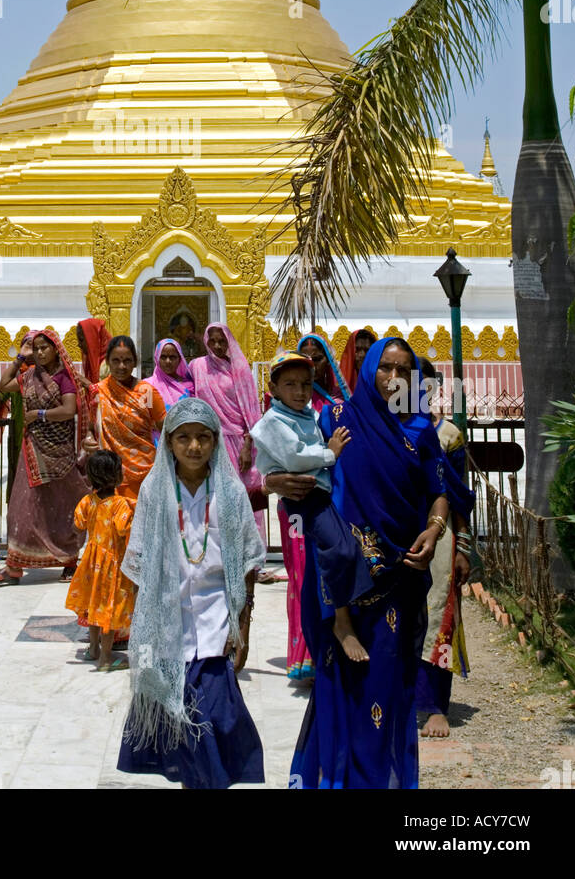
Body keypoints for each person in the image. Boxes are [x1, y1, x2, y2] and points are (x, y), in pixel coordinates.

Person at [289, 338, 451, 789]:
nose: (395, 379)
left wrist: (434, 530)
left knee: (384, 680)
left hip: (402, 572)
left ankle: (377, 780)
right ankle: (334, 778)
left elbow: (440, 490)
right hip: (345, 576)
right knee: (341, 681)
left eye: (404, 371)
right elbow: (303, 472)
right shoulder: (336, 418)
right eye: (386, 368)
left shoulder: (421, 429)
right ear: (368, 371)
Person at [117, 397, 266, 790]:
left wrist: (243, 627)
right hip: (168, 629)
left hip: (217, 627)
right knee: (181, 734)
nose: (194, 447)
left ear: (216, 441)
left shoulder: (231, 496)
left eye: (203, 437)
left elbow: (248, 565)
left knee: (215, 721)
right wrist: (142, 632)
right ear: (168, 442)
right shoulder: (154, 493)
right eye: (184, 438)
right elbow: (138, 566)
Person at [250, 352, 373, 663]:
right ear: (273, 388)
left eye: (306, 384)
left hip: (319, 497)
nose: (300, 391)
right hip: (298, 504)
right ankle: (339, 622)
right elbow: (293, 457)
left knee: (345, 549)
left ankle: (341, 619)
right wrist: (329, 454)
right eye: (290, 384)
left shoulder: (312, 416)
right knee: (309, 562)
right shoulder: (273, 421)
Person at [0, 329, 90, 585]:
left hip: (61, 454)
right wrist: (20, 359)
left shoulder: (65, 377)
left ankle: (68, 560)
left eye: (44, 348)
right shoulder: (30, 375)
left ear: (56, 349)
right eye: (36, 348)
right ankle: (14, 565)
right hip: (33, 450)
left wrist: (39, 415)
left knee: (61, 508)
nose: (40, 352)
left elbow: (67, 410)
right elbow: (3, 386)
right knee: (21, 508)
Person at [413, 356, 473, 739]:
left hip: (442, 531)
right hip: (394, 530)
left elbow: (461, 496)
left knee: (439, 615)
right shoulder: (384, 429)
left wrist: (463, 546)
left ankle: (435, 704)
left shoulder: (449, 434)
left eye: (424, 382)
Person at [65, 450, 135, 672]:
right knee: (109, 609)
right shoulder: (120, 505)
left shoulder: (87, 501)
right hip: (112, 565)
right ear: (117, 477)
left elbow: (77, 526)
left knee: (93, 606)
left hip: (91, 562)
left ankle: (93, 648)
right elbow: (125, 530)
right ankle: (106, 659)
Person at [190, 323, 264, 521]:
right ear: (206, 341)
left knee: (243, 497)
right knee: (212, 497)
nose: (217, 346)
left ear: (229, 342)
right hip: (209, 443)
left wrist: (248, 447)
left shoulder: (239, 369)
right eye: (212, 341)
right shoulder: (197, 367)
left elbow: (251, 411)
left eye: (222, 341)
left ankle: (248, 548)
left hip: (238, 444)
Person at [92, 336, 166, 504]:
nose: (122, 366)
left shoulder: (145, 392)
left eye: (127, 360)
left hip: (143, 473)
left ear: (135, 362)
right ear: (108, 362)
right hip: (109, 473)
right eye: (116, 360)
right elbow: (90, 427)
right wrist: (89, 439)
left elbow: (166, 429)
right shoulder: (99, 391)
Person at [0, 331, 39, 496]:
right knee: (17, 475)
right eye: (28, 345)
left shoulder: (46, 372)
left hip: (40, 435)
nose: (32, 351)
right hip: (18, 434)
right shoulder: (16, 374)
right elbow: (0, 396)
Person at [146, 337, 195, 409]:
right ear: (157, 359)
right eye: (163, 357)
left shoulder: (188, 385)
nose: (168, 361)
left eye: (172, 357)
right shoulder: (148, 385)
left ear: (180, 359)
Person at [338, 328, 376, 396]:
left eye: (367, 350)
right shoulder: (339, 385)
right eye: (357, 349)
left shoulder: (379, 385)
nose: (362, 355)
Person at [77, 317, 111, 383]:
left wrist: (87, 383)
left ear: (93, 339)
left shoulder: (111, 362)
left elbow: (108, 392)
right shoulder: (92, 361)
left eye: (81, 340)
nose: (79, 345)